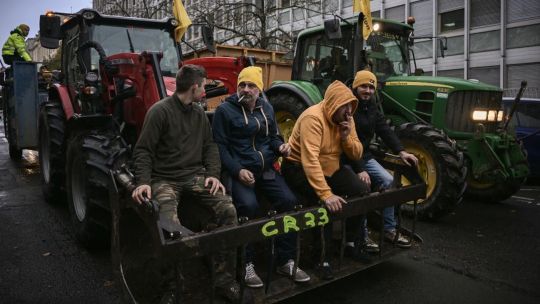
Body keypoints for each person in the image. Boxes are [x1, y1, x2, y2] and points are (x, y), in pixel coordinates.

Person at [131, 64, 241, 303]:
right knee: (168, 225)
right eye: (204, 86)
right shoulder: (159, 112)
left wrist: (213, 173)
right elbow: (143, 151)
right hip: (165, 179)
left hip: (194, 176)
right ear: (194, 87)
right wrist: (143, 182)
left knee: (228, 211)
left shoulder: (199, 113)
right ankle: (171, 286)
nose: (205, 89)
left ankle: (223, 279)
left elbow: (210, 146)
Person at [212, 66, 310, 288]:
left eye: (251, 85)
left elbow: (273, 138)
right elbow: (220, 148)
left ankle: (285, 260)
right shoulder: (224, 111)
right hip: (239, 171)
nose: (246, 90)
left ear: (260, 89)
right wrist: (237, 170)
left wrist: (281, 147)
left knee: (289, 202)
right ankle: (246, 264)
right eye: (242, 85)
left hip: (265, 170)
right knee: (248, 206)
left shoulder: (267, 108)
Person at [281, 80, 370, 279]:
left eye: (350, 105)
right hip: (298, 167)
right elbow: (310, 159)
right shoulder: (313, 118)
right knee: (326, 206)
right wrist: (326, 194)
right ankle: (321, 259)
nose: (348, 110)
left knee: (362, 191)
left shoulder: (348, 118)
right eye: (344, 106)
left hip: (330, 166)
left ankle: (350, 243)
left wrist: (346, 137)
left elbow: (357, 154)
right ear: (332, 104)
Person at [345, 70, 418, 252]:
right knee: (363, 189)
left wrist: (401, 151)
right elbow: (345, 145)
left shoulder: (372, 106)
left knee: (388, 181)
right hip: (346, 157)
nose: (368, 91)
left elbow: (384, 129)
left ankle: (389, 229)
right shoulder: (347, 106)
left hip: (365, 155)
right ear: (355, 87)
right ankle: (362, 236)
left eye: (371, 87)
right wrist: (360, 168)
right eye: (364, 86)